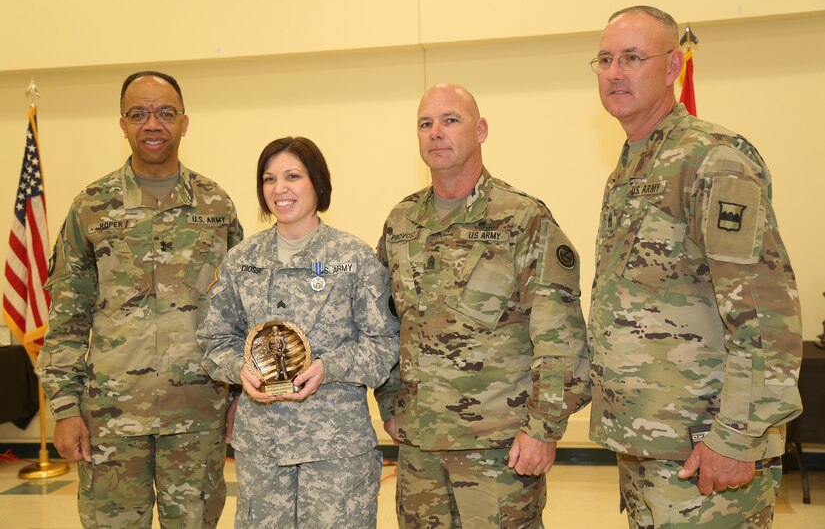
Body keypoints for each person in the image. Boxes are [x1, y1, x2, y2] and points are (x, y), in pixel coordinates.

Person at [588, 6, 803, 527]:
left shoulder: (710, 159)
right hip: (651, 446)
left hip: (706, 450)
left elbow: (766, 313)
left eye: (633, 57)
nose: (615, 72)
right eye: (605, 59)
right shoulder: (634, 164)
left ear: (672, 68)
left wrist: (735, 437)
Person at [35, 70, 244, 528]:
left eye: (166, 113)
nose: (153, 124)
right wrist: (66, 409)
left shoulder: (216, 206)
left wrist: (238, 400)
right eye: (139, 113)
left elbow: (238, 316)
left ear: (184, 123)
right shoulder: (90, 206)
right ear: (123, 124)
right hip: (111, 418)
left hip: (197, 414)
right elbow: (68, 318)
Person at [375, 83, 590, 527]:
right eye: (425, 123)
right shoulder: (400, 222)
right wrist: (391, 402)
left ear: (481, 130)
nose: (436, 132)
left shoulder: (523, 219)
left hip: (499, 452)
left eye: (450, 120)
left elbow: (558, 334)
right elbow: (385, 322)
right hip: (419, 453)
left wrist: (543, 429)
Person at [197, 136, 399, 528]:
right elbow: (214, 339)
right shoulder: (242, 260)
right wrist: (240, 368)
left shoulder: (353, 259)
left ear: (317, 184)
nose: (279, 189)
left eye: (293, 176)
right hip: (263, 451)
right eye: (269, 179)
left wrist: (328, 366)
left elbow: (383, 344)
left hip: (335, 451)